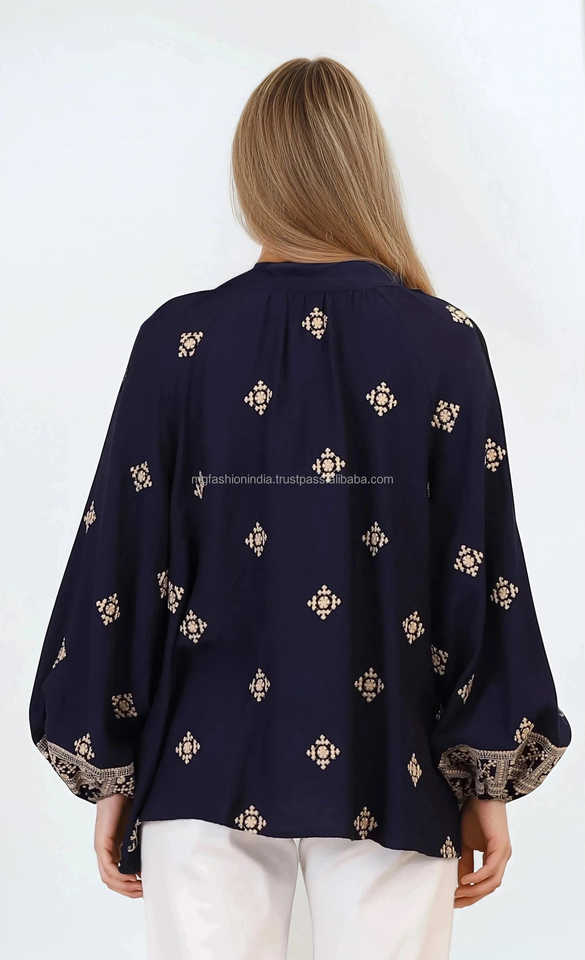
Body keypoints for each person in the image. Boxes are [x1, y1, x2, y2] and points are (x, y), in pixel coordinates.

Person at [29, 57, 570, 960]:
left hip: (203, 766)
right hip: (394, 764)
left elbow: (119, 559)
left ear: (254, 173)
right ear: (364, 167)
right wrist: (485, 777)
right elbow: (476, 567)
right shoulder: (443, 343)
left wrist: (109, 761)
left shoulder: (180, 341)